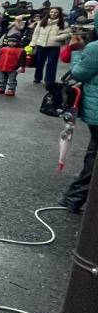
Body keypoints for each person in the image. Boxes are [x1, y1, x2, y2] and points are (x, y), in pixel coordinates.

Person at [59, 34, 98, 213]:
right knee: (94, 155)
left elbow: (79, 72)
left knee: (94, 155)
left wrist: (77, 53)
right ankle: (74, 197)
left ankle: (73, 197)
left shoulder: (94, 47)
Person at [28, 6, 71, 87]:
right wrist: (32, 44)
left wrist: (57, 38)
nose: (53, 14)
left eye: (56, 12)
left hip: (54, 46)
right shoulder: (42, 22)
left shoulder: (63, 23)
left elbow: (68, 34)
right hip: (41, 45)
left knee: (52, 63)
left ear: (59, 14)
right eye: (52, 12)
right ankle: (37, 78)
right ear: (49, 13)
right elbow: (36, 33)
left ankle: (49, 80)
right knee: (39, 62)